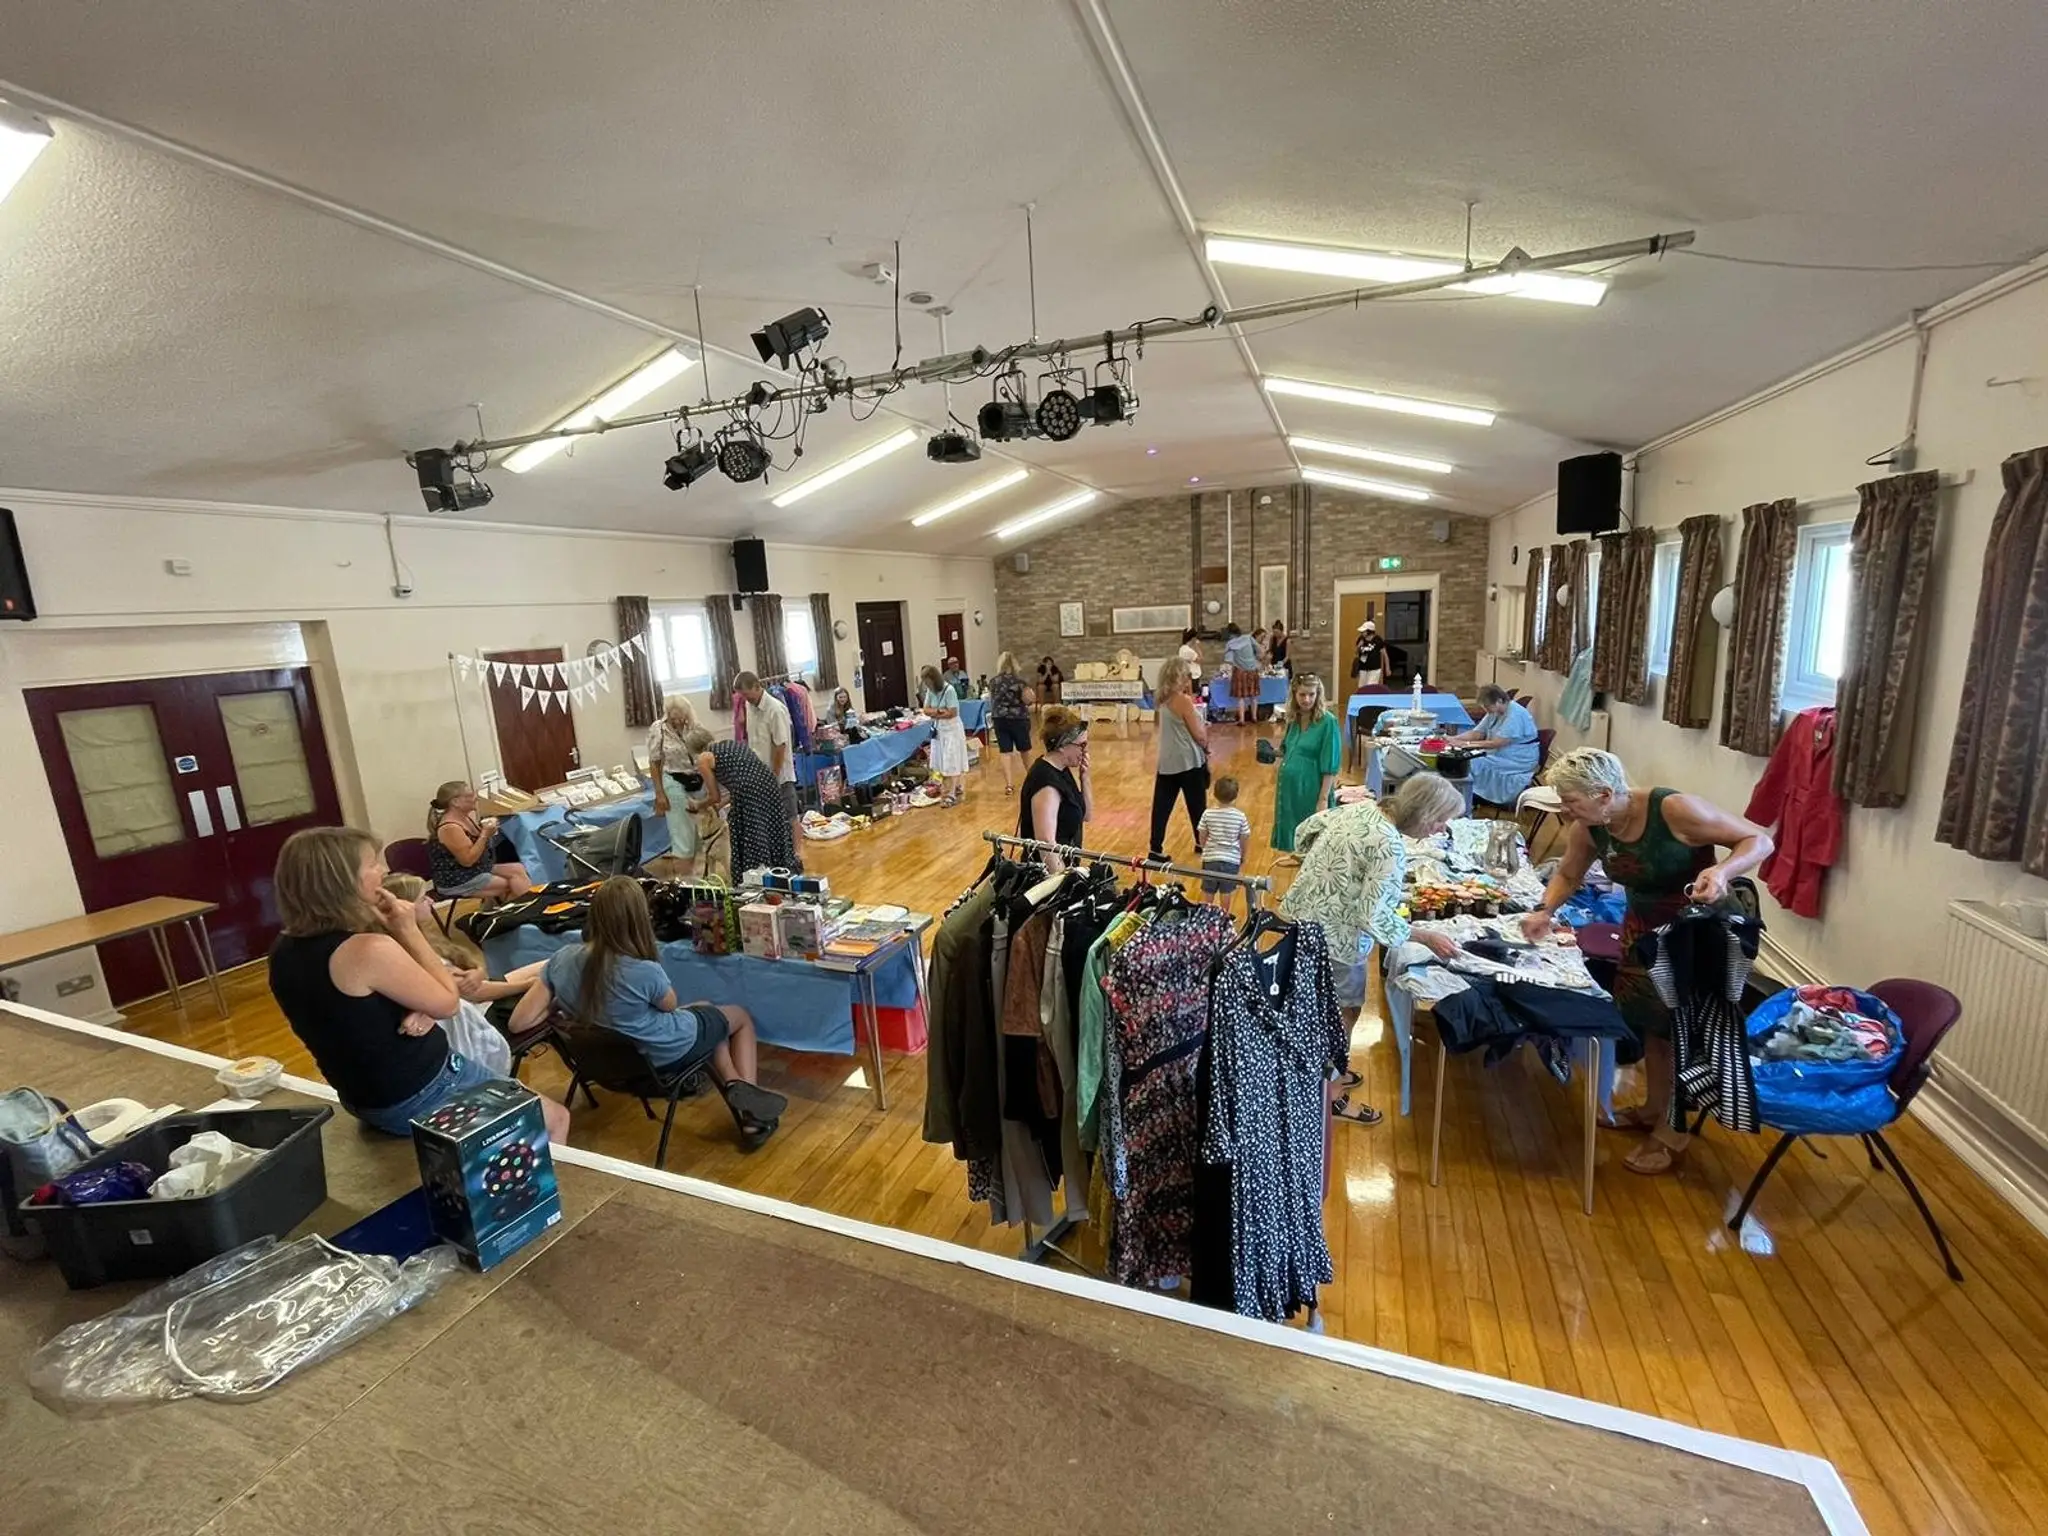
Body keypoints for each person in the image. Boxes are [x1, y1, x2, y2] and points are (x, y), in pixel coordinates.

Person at [1520, 748, 1773, 1176]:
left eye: (1570, 800)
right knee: (1651, 1024)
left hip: (1698, 930)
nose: (1564, 809)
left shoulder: (1674, 809)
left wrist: (1723, 872)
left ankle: (1674, 1131)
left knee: (1682, 1030)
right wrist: (1544, 910)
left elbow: (1759, 840)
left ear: (1604, 794)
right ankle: (1656, 1106)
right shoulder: (1590, 827)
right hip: (1644, 929)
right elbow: (1568, 873)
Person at [268, 827, 571, 1146]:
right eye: (372, 864)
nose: (384, 871)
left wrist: (420, 1007)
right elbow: (448, 1003)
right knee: (554, 1120)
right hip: (422, 1089)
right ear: (342, 881)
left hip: (362, 1096)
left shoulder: (284, 950)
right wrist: (408, 929)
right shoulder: (366, 950)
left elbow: (351, 1015)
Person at [507, 878, 787, 1148]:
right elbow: (670, 1005)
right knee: (738, 1017)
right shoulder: (642, 971)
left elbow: (519, 1022)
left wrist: (558, 1005)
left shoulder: (563, 959)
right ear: (638, 919)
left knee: (711, 1018)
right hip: (660, 1054)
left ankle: (734, 1082)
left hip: (605, 1063)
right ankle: (749, 1106)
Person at [1280, 775, 1467, 1125]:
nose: (1441, 829)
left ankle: (1326, 1077)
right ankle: (1330, 1099)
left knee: (1315, 1010)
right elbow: (1373, 917)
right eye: (1442, 820)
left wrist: (1329, 869)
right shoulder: (1389, 845)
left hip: (1301, 920)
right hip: (1336, 940)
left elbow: (1305, 831)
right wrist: (1425, 937)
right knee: (1340, 1017)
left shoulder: (1363, 809)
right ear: (1426, 814)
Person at [685, 725, 799, 878]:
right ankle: (781, 872)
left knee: (753, 837)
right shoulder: (731, 744)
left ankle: (756, 878)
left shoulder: (703, 759)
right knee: (772, 829)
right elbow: (740, 784)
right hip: (768, 783)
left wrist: (698, 805)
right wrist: (719, 806)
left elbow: (715, 796)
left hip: (749, 792)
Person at [1271, 673, 1342, 855]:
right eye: (1302, 695)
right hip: (1290, 790)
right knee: (1296, 845)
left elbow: (1331, 764)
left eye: (1311, 694)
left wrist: (1323, 799)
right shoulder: (1293, 719)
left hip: (1312, 789)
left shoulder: (1328, 722)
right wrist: (1272, 753)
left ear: (1318, 694)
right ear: (1294, 694)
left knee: (1314, 844)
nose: (1307, 699)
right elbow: (1290, 749)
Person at [1148, 655, 1210, 863]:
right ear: (1179, 676)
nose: (1189, 679)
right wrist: (1206, 746)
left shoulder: (1162, 700)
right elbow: (1199, 735)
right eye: (1186, 675)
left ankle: (1155, 849)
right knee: (1197, 806)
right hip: (1188, 760)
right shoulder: (1182, 701)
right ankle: (1202, 843)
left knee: (1161, 807)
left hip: (1167, 760)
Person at [425, 781, 531, 901]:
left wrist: (488, 831)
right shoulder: (450, 827)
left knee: (518, 869)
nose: (475, 798)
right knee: (512, 883)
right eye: (470, 796)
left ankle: (499, 913)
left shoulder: (465, 817)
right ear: (455, 802)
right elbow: (467, 861)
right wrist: (485, 834)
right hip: (458, 878)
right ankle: (519, 913)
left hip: (476, 869)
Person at [1019, 705, 1092, 875]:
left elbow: (1086, 815)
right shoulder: (1046, 783)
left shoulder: (1062, 769)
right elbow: (1046, 844)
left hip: (1066, 868)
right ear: (1062, 746)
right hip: (1047, 875)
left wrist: (1085, 778)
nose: (1085, 751)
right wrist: (1062, 883)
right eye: (1081, 745)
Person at [734, 671, 802, 848]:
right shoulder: (749, 706)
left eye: (747, 695)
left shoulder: (776, 709)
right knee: (770, 819)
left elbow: (781, 745)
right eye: (742, 697)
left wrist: (774, 775)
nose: (745, 700)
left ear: (757, 687)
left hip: (779, 775)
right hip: (760, 774)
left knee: (790, 817)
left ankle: (796, 855)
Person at [1449, 684, 1543, 807]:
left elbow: (1497, 743)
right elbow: (1477, 733)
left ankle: (1470, 798)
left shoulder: (1516, 715)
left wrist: (1465, 745)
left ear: (1499, 700)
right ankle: (1469, 796)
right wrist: (1453, 739)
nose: (1486, 710)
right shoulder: (1495, 712)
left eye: (1488, 706)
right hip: (1501, 752)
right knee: (1467, 758)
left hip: (1518, 759)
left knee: (1469, 762)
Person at [647, 694, 709, 878]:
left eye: (680, 717)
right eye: (673, 718)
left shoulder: (695, 726)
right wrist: (659, 794)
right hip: (674, 782)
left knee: (703, 835)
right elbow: (654, 762)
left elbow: (706, 753)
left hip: (699, 781)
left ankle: (704, 879)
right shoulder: (658, 729)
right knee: (683, 839)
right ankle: (684, 883)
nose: (677, 722)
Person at [1196, 776, 1252, 914]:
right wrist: (1242, 856)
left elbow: (1202, 833)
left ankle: (1205, 917)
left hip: (1211, 858)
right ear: (1235, 796)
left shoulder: (1207, 813)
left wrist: (1204, 848)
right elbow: (1244, 837)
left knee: (1208, 890)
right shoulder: (1240, 816)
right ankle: (1223, 917)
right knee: (1226, 891)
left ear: (1215, 794)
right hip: (1231, 860)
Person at [918, 663, 970, 806]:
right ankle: (952, 787)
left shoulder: (949, 690)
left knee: (951, 760)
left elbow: (952, 712)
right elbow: (926, 709)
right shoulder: (930, 691)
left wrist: (935, 712)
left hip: (952, 730)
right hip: (939, 730)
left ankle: (951, 793)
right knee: (941, 761)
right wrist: (940, 711)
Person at [986, 650, 1036, 795]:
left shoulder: (993, 681)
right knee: (1024, 750)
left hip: (999, 719)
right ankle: (1033, 780)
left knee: (1005, 751)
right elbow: (1029, 700)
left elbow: (992, 699)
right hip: (1018, 718)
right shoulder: (1019, 682)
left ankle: (1009, 784)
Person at [1222, 622, 1261, 726]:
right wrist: (1255, 657)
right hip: (1252, 669)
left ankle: (1242, 720)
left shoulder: (1230, 644)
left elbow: (1228, 659)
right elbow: (1258, 649)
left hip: (1240, 671)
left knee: (1241, 697)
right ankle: (1254, 717)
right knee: (1253, 696)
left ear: (1230, 633)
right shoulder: (1248, 638)